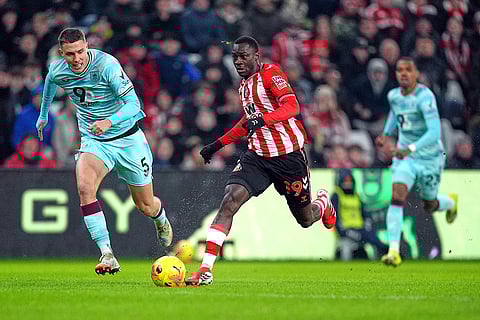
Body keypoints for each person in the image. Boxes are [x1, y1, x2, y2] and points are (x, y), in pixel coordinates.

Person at [185, 36, 336, 286]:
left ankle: (322, 204)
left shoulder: (271, 75)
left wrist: (263, 120)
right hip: (257, 157)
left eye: (243, 56)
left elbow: (292, 107)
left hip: (288, 157)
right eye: (235, 56)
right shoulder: (244, 85)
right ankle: (205, 269)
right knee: (229, 200)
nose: (238, 61)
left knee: (306, 219)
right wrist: (218, 144)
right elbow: (248, 122)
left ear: (257, 56)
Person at [35, 28, 173, 275]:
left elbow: (134, 105)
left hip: (128, 139)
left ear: (87, 46)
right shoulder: (58, 69)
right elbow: (49, 82)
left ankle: (160, 217)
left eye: (80, 52)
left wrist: (109, 121)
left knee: (145, 205)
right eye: (70, 54)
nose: (76, 59)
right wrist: (43, 115)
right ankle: (107, 254)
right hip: (95, 141)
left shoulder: (107, 65)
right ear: (61, 53)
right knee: (85, 189)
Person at [375, 57, 458, 267]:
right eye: (399, 70)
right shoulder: (393, 95)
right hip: (407, 159)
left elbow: (434, 132)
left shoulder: (425, 96)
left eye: (408, 70)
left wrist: (408, 148)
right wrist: (386, 134)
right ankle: (393, 251)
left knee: (428, 204)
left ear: (416, 74)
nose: (403, 73)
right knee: (397, 196)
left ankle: (449, 203)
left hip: (429, 158)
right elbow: (395, 114)